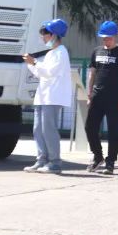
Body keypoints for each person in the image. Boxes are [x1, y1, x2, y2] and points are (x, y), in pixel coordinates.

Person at [22, 19, 72, 174]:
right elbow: (41, 72)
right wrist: (31, 63)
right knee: (38, 129)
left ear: (54, 35)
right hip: (43, 96)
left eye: (45, 33)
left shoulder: (61, 52)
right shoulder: (51, 53)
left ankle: (54, 162)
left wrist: (34, 62)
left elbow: (49, 72)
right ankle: (42, 159)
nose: (42, 37)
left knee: (48, 129)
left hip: (53, 97)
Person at [83, 20, 118, 174]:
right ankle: (98, 156)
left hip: (114, 99)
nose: (106, 41)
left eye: (109, 38)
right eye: (104, 38)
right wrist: (89, 93)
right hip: (97, 97)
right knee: (89, 127)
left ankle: (110, 162)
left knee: (113, 131)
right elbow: (91, 74)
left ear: (115, 37)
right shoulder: (96, 52)